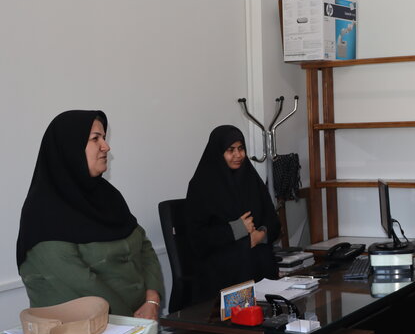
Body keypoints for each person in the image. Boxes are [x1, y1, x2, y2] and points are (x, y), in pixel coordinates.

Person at [16, 111, 164, 319]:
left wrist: (152, 300)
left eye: (103, 137)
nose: (106, 146)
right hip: (86, 333)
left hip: (138, 324)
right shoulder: (42, 212)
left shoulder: (108, 196)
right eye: (95, 139)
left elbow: (144, 246)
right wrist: (133, 322)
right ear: (69, 148)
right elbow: (80, 283)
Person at [185, 125, 281, 299]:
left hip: (258, 263)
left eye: (241, 148)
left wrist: (261, 235)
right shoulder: (201, 186)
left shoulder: (251, 180)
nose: (238, 155)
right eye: (230, 150)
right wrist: (236, 229)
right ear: (218, 153)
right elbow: (197, 239)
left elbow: (273, 221)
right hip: (222, 271)